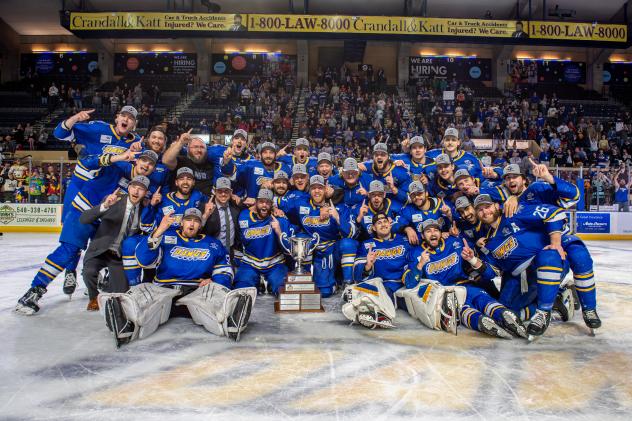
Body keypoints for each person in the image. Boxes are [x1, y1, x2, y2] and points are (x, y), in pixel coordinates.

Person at [15, 149, 158, 315]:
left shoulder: (144, 185)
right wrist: (117, 156)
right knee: (69, 251)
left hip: (107, 223)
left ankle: (100, 276)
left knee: (109, 251)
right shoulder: (117, 166)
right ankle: (35, 291)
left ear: (154, 168)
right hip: (84, 212)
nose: (146, 165)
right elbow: (85, 163)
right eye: (144, 160)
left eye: (151, 163)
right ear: (136, 160)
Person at [99, 208, 256, 347]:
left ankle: (231, 322)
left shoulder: (213, 244)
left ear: (201, 225)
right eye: (188, 220)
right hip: (163, 288)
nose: (192, 224)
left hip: (197, 291)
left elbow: (225, 270)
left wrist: (215, 281)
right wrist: (159, 231)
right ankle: (127, 324)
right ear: (182, 222)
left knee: (217, 296)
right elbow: (144, 261)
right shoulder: (166, 237)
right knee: (142, 292)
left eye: (196, 221)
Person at [52, 105, 142, 291]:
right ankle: (70, 272)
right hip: (80, 186)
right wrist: (75, 118)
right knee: (73, 235)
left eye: (131, 118)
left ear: (134, 124)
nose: (126, 119)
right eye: (123, 116)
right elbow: (60, 134)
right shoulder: (97, 128)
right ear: (117, 118)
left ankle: (94, 271)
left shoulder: (137, 142)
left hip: (105, 193)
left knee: (101, 235)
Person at [403, 219, 525, 339]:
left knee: (481, 298)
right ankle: (482, 322)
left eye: (436, 230)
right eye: (428, 231)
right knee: (461, 309)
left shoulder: (455, 242)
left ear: (441, 233)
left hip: (465, 285)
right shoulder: (416, 253)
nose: (433, 233)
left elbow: (485, 268)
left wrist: (471, 257)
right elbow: (409, 283)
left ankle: (503, 314)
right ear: (423, 236)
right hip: (445, 295)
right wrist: (420, 265)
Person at [79, 176, 151, 311]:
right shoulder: (114, 200)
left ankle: (107, 283)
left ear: (145, 192)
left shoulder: (144, 209)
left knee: (121, 293)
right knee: (89, 272)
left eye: (141, 189)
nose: (136, 191)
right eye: (134, 187)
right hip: (100, 250)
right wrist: (105, 205)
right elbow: (84, 219)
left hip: (119, 256)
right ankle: (93, 297)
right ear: (129, 188)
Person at [281, 175, 357, 296]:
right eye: (313, 188)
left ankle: (347, 282)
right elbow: (282, 208)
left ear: (325, 189)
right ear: (309, 190)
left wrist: (337, 218)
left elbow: (352, 233)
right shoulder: (300, 204)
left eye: (320, 188)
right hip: (312, 248)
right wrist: (276, 210)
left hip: (330, 250)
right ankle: (303, 276)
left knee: (348, 244)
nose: (317, 191)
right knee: (301, 238)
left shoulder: (339, 207)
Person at [342, 212, 416, 329]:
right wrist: (367, 265)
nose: (383, 225)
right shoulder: (367, 245)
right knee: (354, 289)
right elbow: (357, 273)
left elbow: (427, 241)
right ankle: (368, 309)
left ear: (390, 224)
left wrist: (408, 228)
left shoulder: (404, 240)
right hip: (382, 285)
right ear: (373, 228)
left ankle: (371, 310)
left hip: (404, 284)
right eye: (379, 223)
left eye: (385, 222)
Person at [234, 189, 295, 295]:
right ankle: (257, 282)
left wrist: (279, 231)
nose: (264, 205)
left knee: (285, 292)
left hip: (275, 264)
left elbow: (288, 249)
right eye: (261, 202)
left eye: (267, 202)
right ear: (256, 202)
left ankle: (271, 283)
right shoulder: (244, 216)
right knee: (241, 291)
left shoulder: (280, 219)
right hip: (250, 263)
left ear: (272, 205)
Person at [202, 177, 241, 257]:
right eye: (220, 191)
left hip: (231, 250)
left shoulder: (236, 206)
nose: (223, 194)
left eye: (226, 191)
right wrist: (205, 216)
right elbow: (197, 230)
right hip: (211, 250)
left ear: (231, 192)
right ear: (214, 191)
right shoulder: (205, 207)